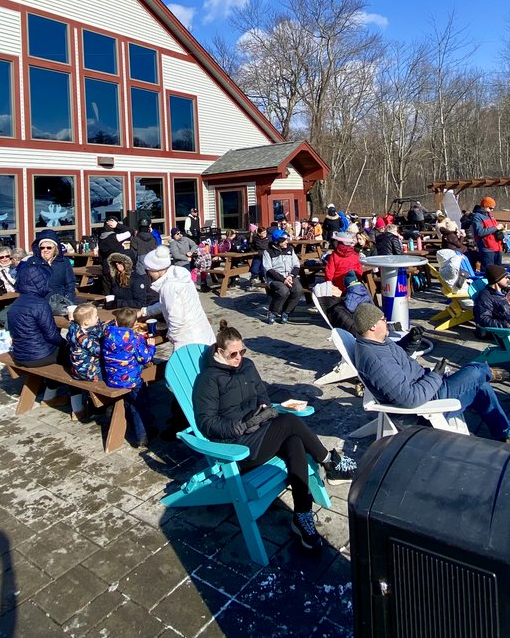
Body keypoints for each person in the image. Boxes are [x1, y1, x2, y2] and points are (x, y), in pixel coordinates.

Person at [194, 320, 357, 549]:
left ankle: (302, 515)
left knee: (294, 442)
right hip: (238, 448)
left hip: (260, 432)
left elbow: (263, 395)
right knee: (289, 422)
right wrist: (239, 426)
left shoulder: (248, 366)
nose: (239, 357)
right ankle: (329, 462)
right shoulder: (208, 380)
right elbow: (206, 422)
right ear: (220, 353)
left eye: (242, 351)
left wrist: (262, 410)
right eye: (233, 354)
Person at [351, 303, 510, 444]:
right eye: (383, 319)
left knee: (481, 386)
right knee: (475, 371)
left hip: (427, 385)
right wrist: (436, 375)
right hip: (426, 404)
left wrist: (411, 341)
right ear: (373, 325)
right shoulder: (375, 361)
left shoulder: (377, 342)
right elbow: (411, 399)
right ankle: (488, 372)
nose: (386, 321)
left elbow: (397, 360)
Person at [138, 246, 214, 347]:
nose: (148, 274)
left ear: (155, 270)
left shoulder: (169, 286)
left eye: (148, 271)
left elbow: (176, 320)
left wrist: (171, 336)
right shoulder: (180, 277)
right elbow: (167, 304)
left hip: (189, 340)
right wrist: (144, 312)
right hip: (202, 331)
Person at [102, 307, 157, 446]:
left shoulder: (107, 334)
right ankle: (142, 436)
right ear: (134, 324)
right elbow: (145, 359)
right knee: (140, 405)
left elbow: (106, 326)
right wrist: (151, 347)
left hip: (112, 378)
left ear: (115, 321)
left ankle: (132, 422)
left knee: (130, 402)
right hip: (131, 380)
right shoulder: (134, 338)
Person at [5, 262, 63, 366]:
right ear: (42, 282)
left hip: (19, 355)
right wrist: (66, 343)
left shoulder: (15, 304)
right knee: (74, 352)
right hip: (40, 356)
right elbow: (52, 336)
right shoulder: (40, 304)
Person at [21, 229, 78, 310]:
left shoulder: (64, 262)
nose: (45, 250)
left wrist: (68, 302)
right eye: (42, 247)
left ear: (55, 248)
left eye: (49, 248)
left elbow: (70, 284)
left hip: (58, 301)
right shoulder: (32, 262)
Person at [261, 229, 302, 325]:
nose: (287, 242)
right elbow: (269, 270)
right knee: (283, 291)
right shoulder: (268, 252)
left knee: (298, 290)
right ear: (277, 242)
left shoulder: (290, 249)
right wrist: (283, 279)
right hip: (275, 278)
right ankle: (273, 312)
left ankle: (286, 311)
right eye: (284, 240)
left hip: (289, 275)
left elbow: (296, 265)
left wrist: (291, 276)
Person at [470, 197, 504, 269]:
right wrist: (496, 228)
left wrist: (502, 238)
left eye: (493, 208)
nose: (492, 210)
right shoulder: (477, 217)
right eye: (490, 208)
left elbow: (494, 230)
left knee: (498, 271)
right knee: (489, 271)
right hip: (487, 248)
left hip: (497, 247)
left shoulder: (491, 216)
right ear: (484, 206)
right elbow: (480, 232)